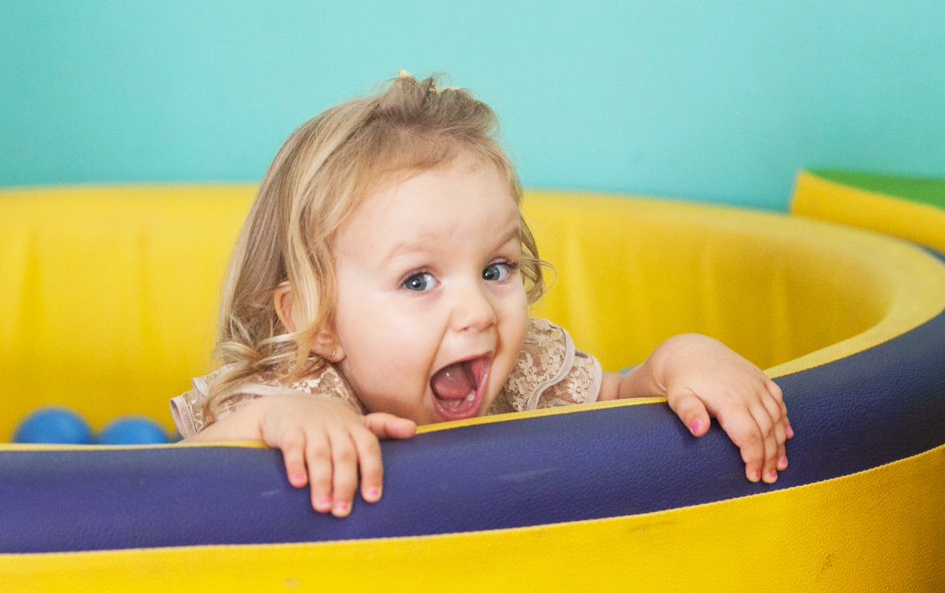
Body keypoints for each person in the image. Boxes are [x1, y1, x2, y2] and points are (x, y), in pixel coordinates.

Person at [172, 72, 792, 517]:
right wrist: (278, 422)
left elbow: (621, 401)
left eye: (496, 269)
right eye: (419, 280)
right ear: (319, 320)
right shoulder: (297, 393)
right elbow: (168, 486)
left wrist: (681, 359)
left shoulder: (522, 374)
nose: (477, 313)